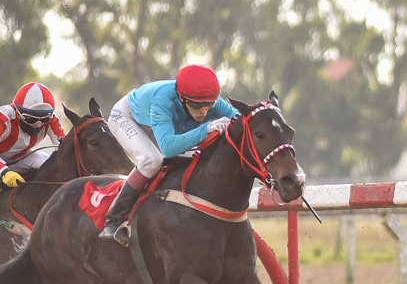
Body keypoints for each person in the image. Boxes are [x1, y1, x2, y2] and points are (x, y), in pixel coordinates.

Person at [100, 64, 237, 245]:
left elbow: (241, 120)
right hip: (126, 117)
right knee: (152, 160)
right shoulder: (163, 100)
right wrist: (207, 128)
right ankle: (112, 221)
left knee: (192, 157)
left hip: (155, 123)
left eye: (209, 105)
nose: (204, 111)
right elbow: (168, 148)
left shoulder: (209, 100)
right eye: (196, 105)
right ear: (181, 98)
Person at [0, 82, 67, 188]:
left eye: (44, 119)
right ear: (18, 112)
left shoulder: (52, 119)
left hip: (20, 157)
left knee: (51, 166)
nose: (39, 124)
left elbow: (64, 148)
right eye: (32, 119)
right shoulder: (3, 118)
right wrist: (4, 171)